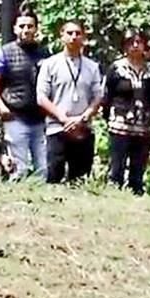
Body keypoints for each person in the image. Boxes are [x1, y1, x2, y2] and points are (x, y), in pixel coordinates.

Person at [0, 7, 49, 179]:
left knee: (42, 169)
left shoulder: (45, 53)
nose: (26, 30)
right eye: (22, 26)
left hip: (39, 119)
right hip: (15, 118)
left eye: (30, 26)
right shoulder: (4, 54)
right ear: (14, 28)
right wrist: (2, 108)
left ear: (36, 28)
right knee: (18, 170)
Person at [36, 21, 103, 184]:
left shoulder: (92, 66)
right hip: (57, 128)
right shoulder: (50, 64)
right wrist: (64, 119)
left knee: (80, 180)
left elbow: (98, 97)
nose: (74, 37)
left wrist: (82, 118)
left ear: (84, 38)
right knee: (53, 178)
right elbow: (41, 97)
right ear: (62, 37)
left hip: (83, 129)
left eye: (78, 33)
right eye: (70, 33)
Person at [102, 29, 150, 195]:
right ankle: (114, 196)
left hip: (145, 126)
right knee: (117, 166)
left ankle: (137, 195)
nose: (135, 46)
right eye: (131, 43)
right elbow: (107, 95)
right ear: (124, 46)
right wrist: (109, 117)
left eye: (138, 42)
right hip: (120, 124)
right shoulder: (116, 68)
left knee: (138, 167)